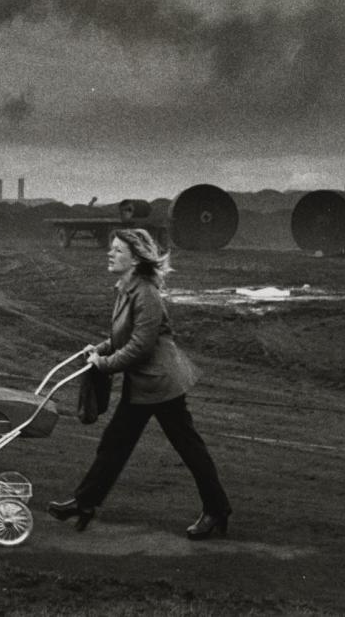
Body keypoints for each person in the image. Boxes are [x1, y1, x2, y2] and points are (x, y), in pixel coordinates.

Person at [48, 228, 232, 540]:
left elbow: (140, 347)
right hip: (144, 385)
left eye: (118, 250)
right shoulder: (126, 287)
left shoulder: (146, 293)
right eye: (112, 248)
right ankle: (84, 503)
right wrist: (100, 349)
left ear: (135, 260)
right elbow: (124, 336)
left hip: (161, 385)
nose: (110, 254)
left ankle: (217, 511)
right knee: (115, 443)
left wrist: (104, 364)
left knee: (187, 447)